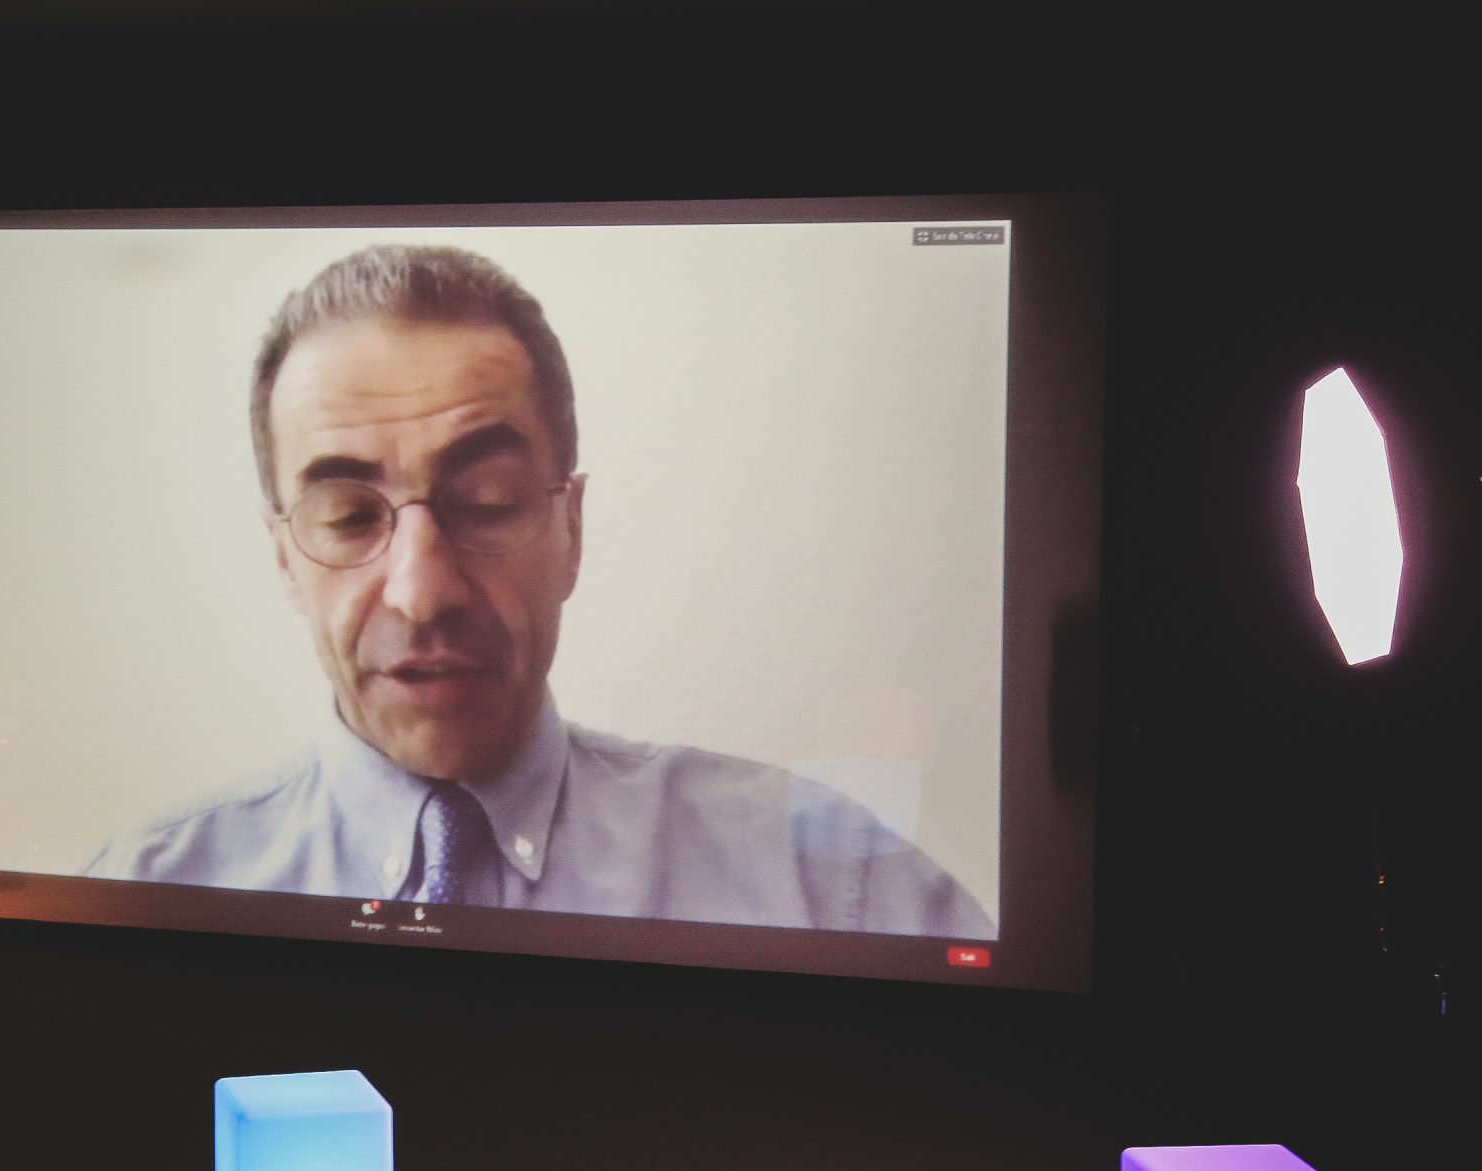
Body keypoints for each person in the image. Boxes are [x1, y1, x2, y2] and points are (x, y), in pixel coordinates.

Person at [83, 244, 991, 939]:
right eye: (351, 519)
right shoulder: (142, 898)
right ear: (286, 557)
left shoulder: (832, 885)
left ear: (571, 531)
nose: (421, 593)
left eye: (487, 503)